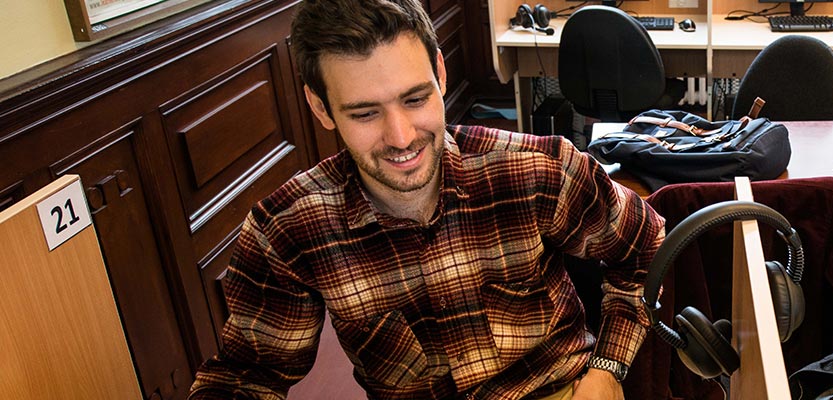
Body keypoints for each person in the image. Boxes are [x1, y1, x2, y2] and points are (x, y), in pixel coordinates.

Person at [188, 0, 664, 398]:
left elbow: (646, 247)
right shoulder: (287, 231)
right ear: (320, 107)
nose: (401, 138)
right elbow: (247, 377)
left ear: (439, 71)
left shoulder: (538, 168)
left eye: (415, 99)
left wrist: (607, 367)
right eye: (365, 112)